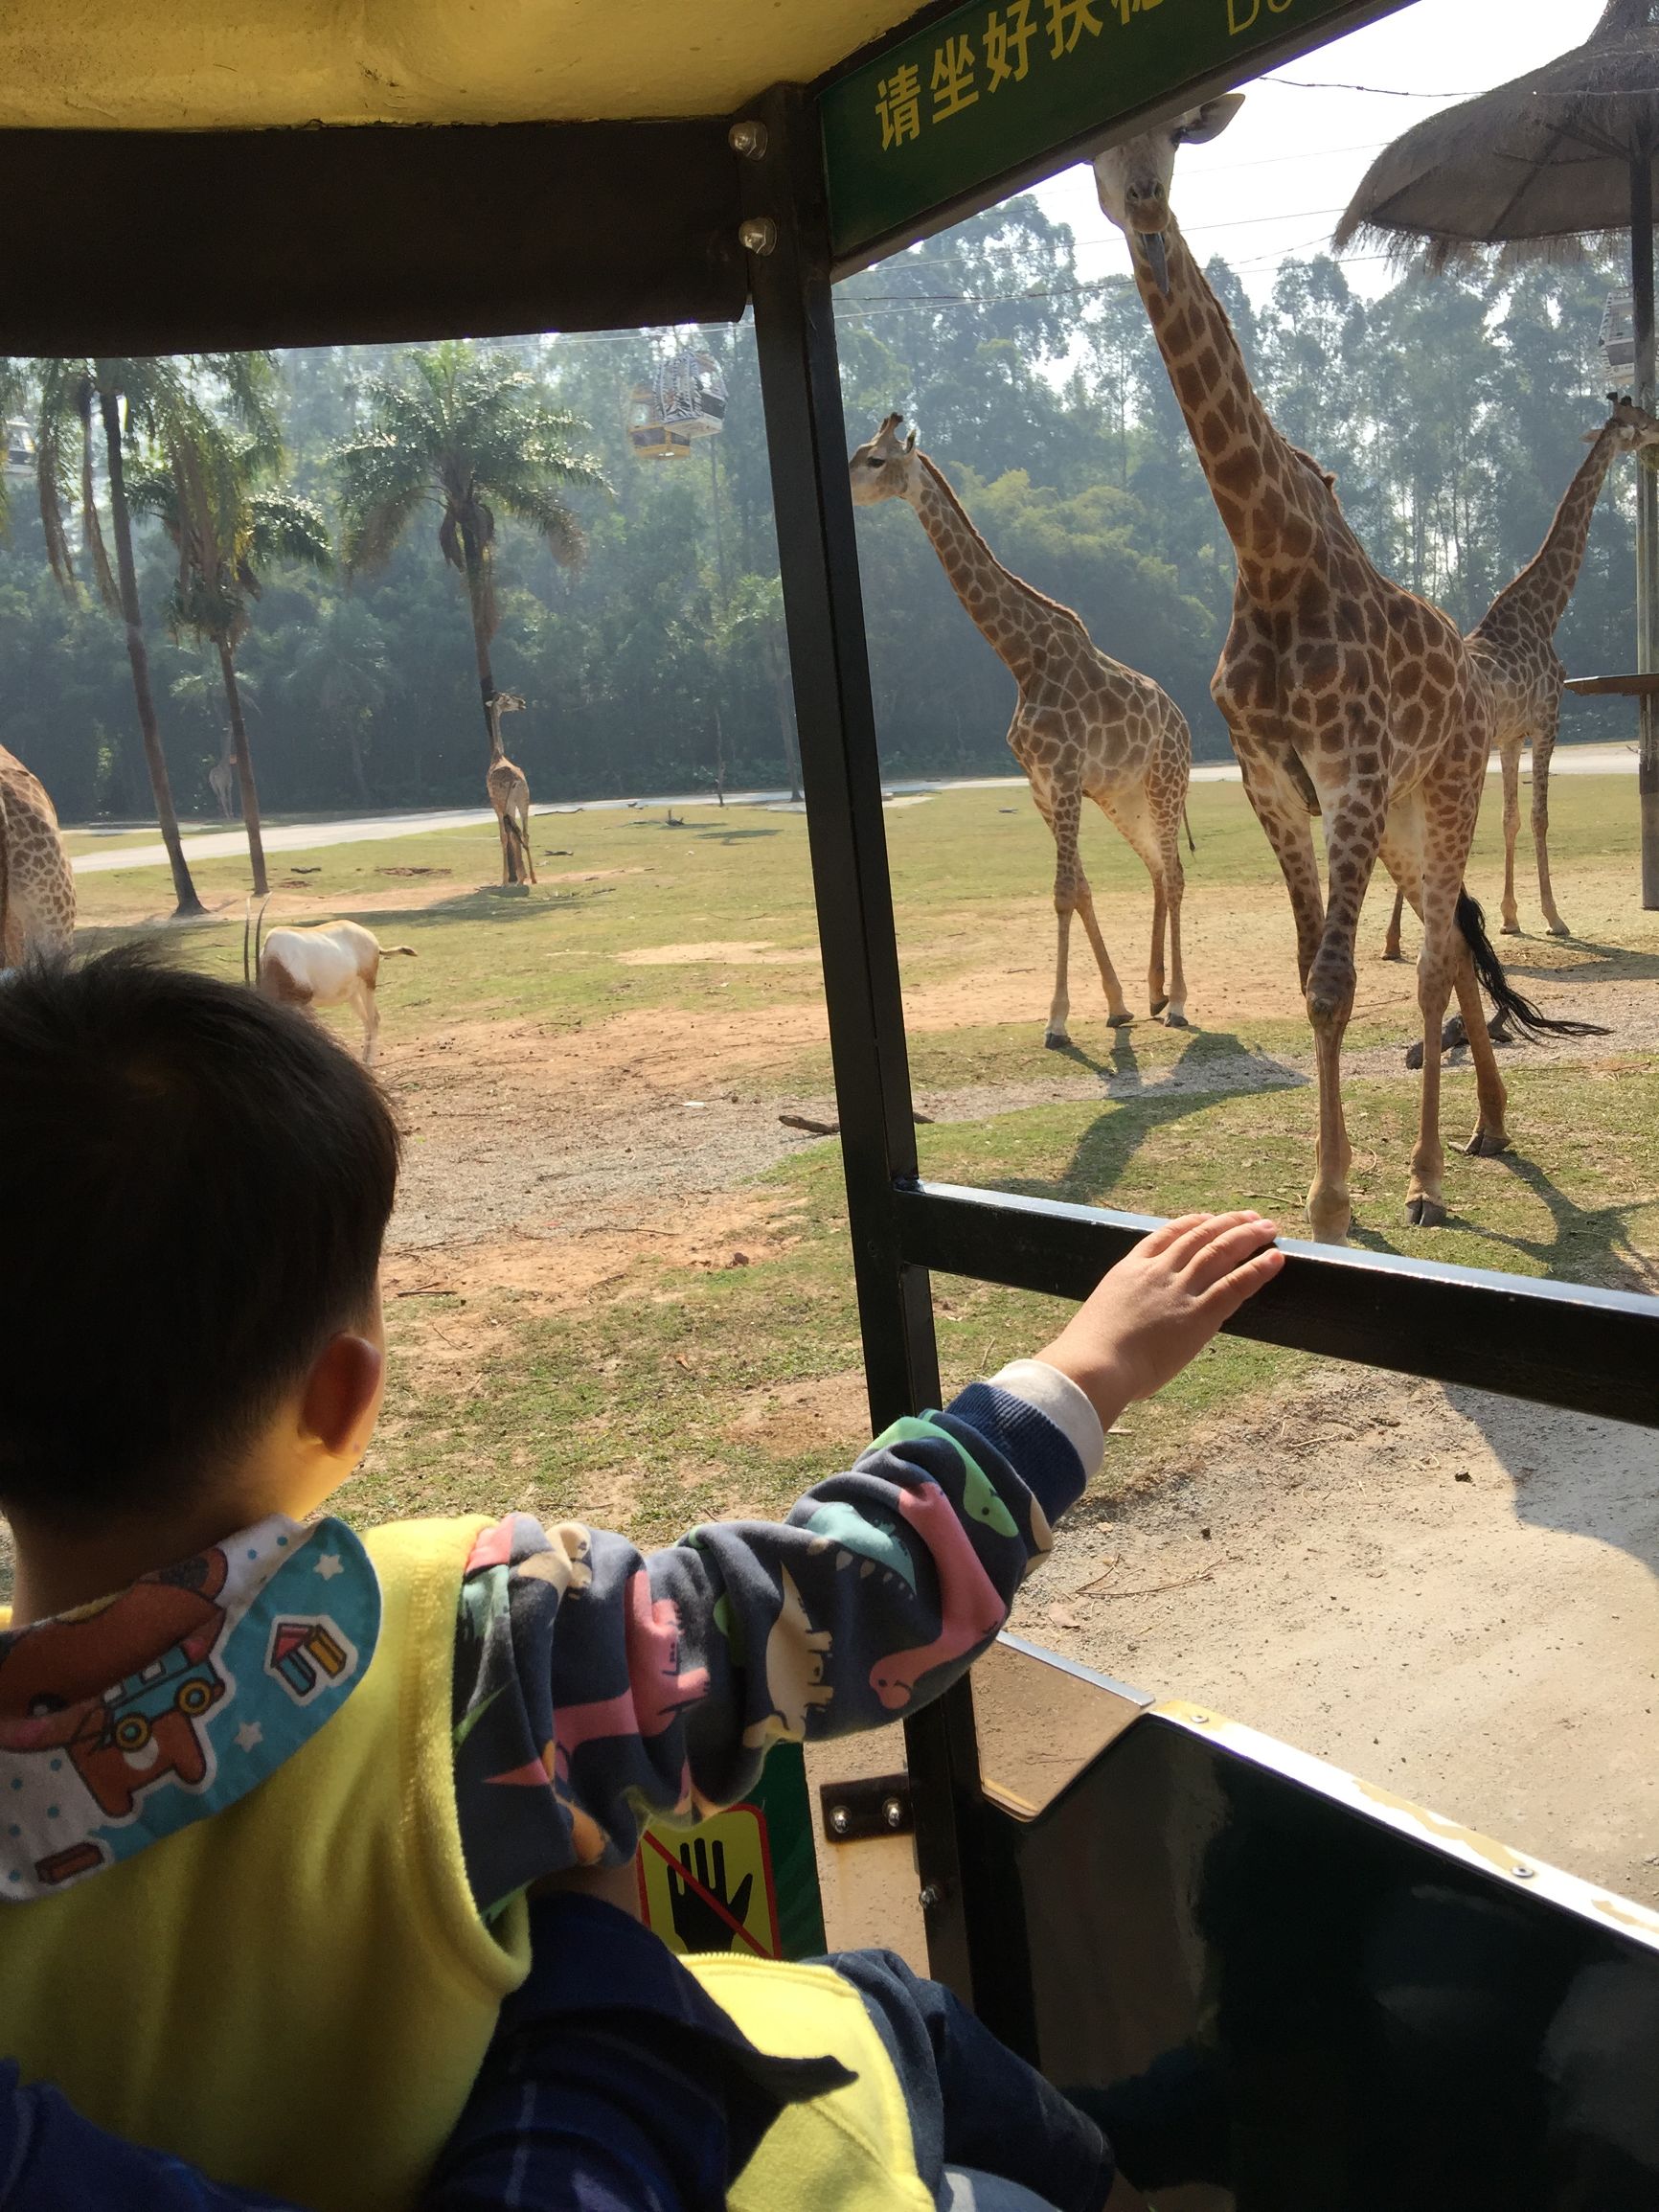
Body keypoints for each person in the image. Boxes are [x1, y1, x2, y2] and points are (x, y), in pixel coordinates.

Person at [0, 948, 1284, 2212]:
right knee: (898, 2014)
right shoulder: (494, 1641)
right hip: (606, 2143)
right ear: (342, 1397)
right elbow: (834, 1599)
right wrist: (1084, 1372)